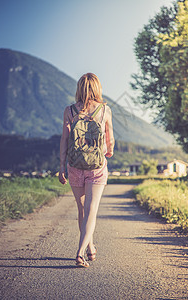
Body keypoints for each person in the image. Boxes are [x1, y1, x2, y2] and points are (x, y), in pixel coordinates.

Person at [59, 73, 114, 267]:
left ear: (79, 88)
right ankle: (81, 252)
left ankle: (90, 247)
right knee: (91, 210)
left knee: (82, 209)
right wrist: (108, 151)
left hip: (74, 166)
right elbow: (110, 141)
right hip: (97, 167)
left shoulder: (69, 110)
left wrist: (61, 167)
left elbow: (65, 140)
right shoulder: (104, 110)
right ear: (97, 87)